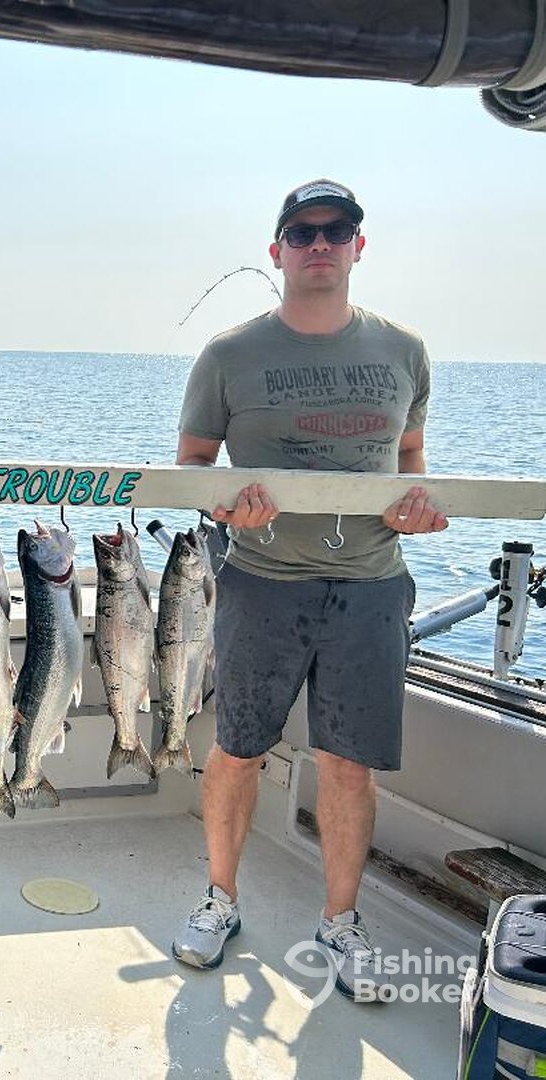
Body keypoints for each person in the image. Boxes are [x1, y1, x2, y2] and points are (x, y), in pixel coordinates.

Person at [170, 180, 448, 1001]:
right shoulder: (229, 355)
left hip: (371, 588)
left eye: (337, 231)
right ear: (278, 250)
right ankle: (220, 899)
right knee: (237, 749)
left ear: (359, 245)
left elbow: (413, 466)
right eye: (303, 231)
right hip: (259, 581)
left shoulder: (404, 351)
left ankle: (340, 921)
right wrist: (224, 501)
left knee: (350, 767)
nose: (319, 244)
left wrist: (420, 511)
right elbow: (189, 469)